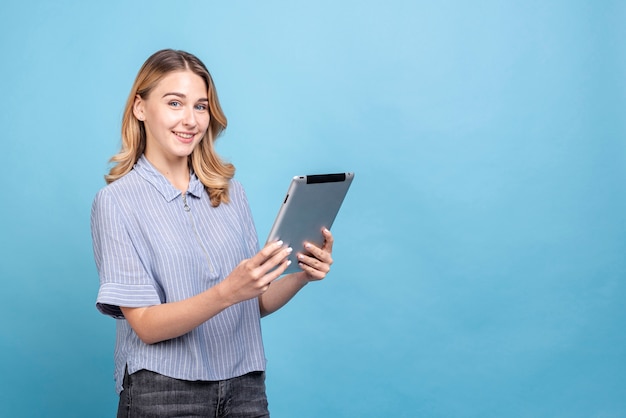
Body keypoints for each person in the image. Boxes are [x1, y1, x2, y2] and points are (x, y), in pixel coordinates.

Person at [91, 49, 335, 418]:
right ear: (140, 107)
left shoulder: (231, 193)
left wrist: (301, 275)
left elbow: (254, 302)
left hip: (244, 388)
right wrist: (226, 292)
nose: (190, 120)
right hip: (163, 391)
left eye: (201, 107)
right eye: (175, 103)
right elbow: (144, 325)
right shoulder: (116, 202)